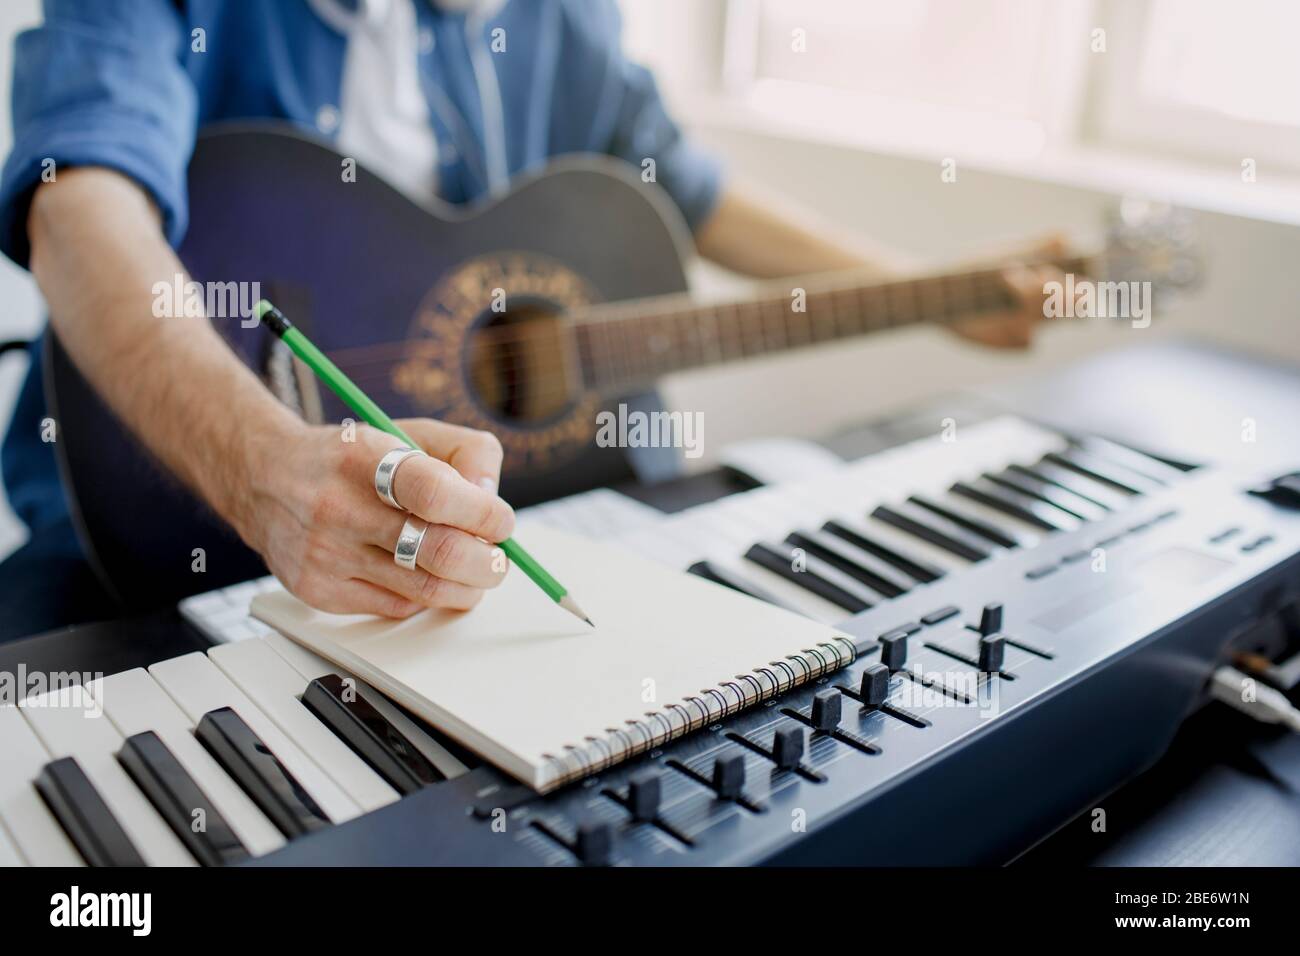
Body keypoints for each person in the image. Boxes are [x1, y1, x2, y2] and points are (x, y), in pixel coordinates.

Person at [0, 0, 1055, 641]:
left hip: (502, 539)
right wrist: (258, 464)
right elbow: (79, 203)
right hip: (146, 544)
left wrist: (948, 292)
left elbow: (693, 191)